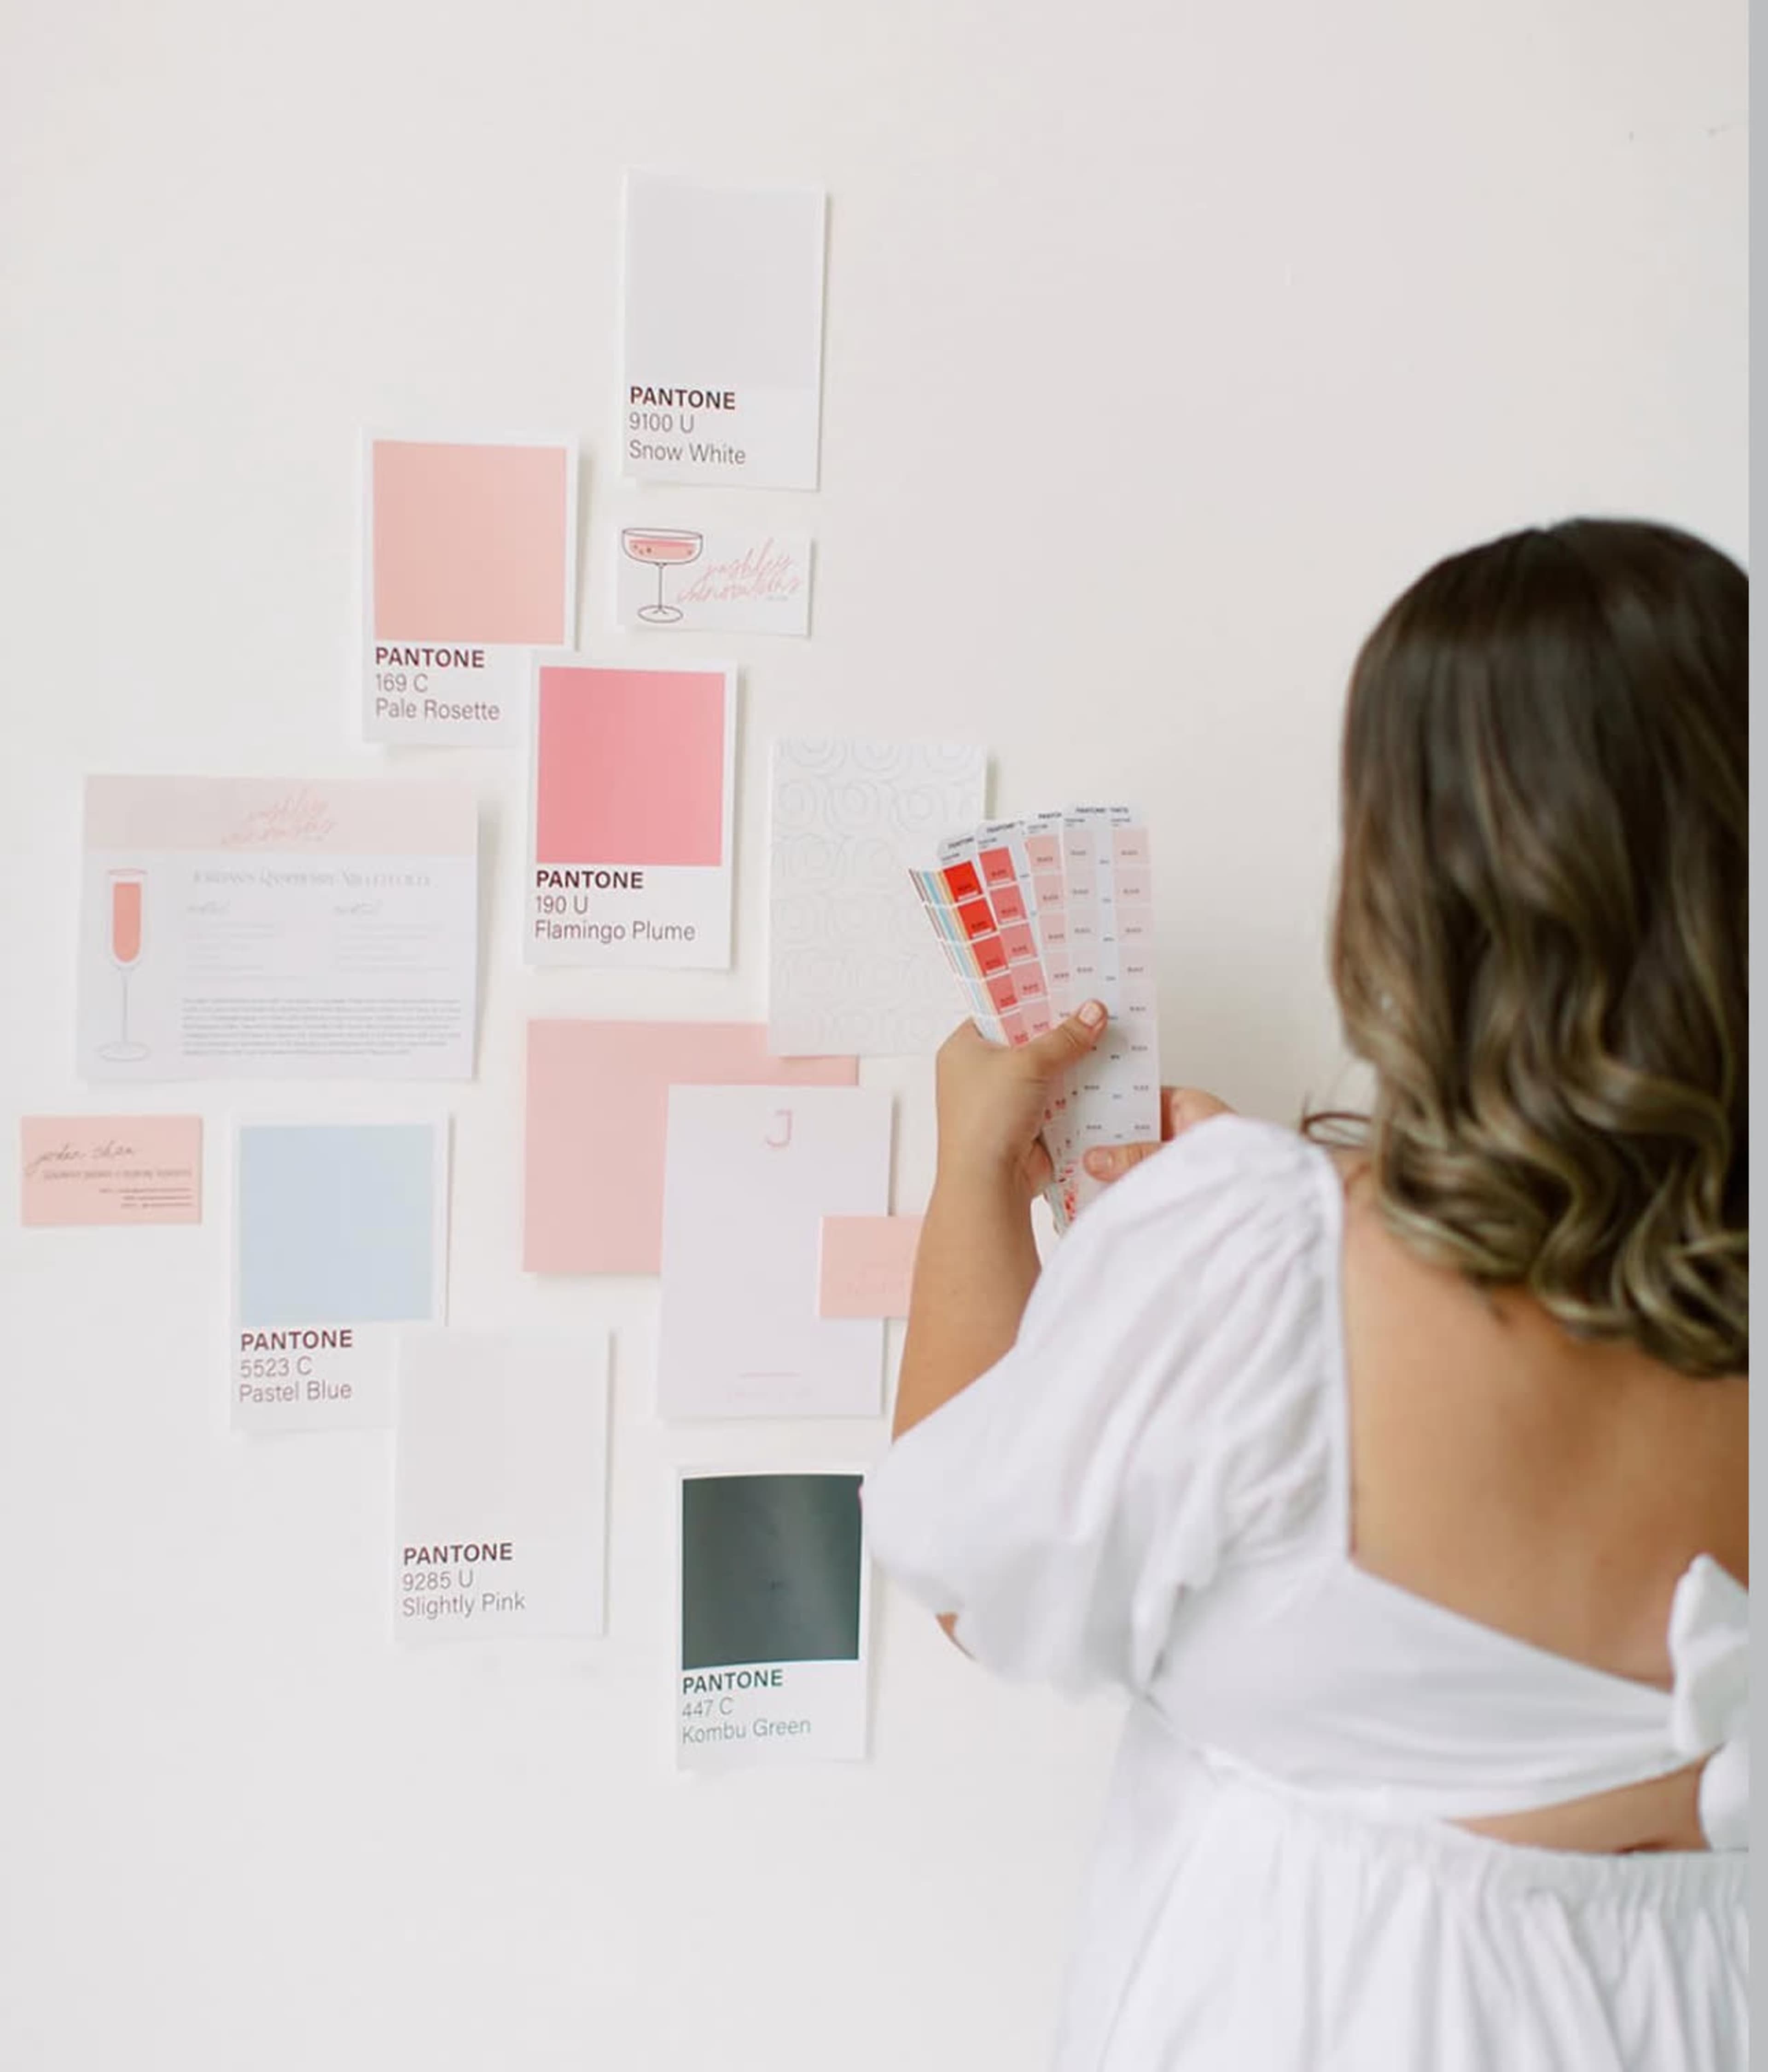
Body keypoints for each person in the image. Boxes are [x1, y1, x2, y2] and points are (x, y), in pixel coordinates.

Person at [862, 518, 1748, 2071]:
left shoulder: (1261, 1265)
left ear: (1420, 877)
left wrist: (974, 1182)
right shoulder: (1261, 1246)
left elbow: (968, 1579)